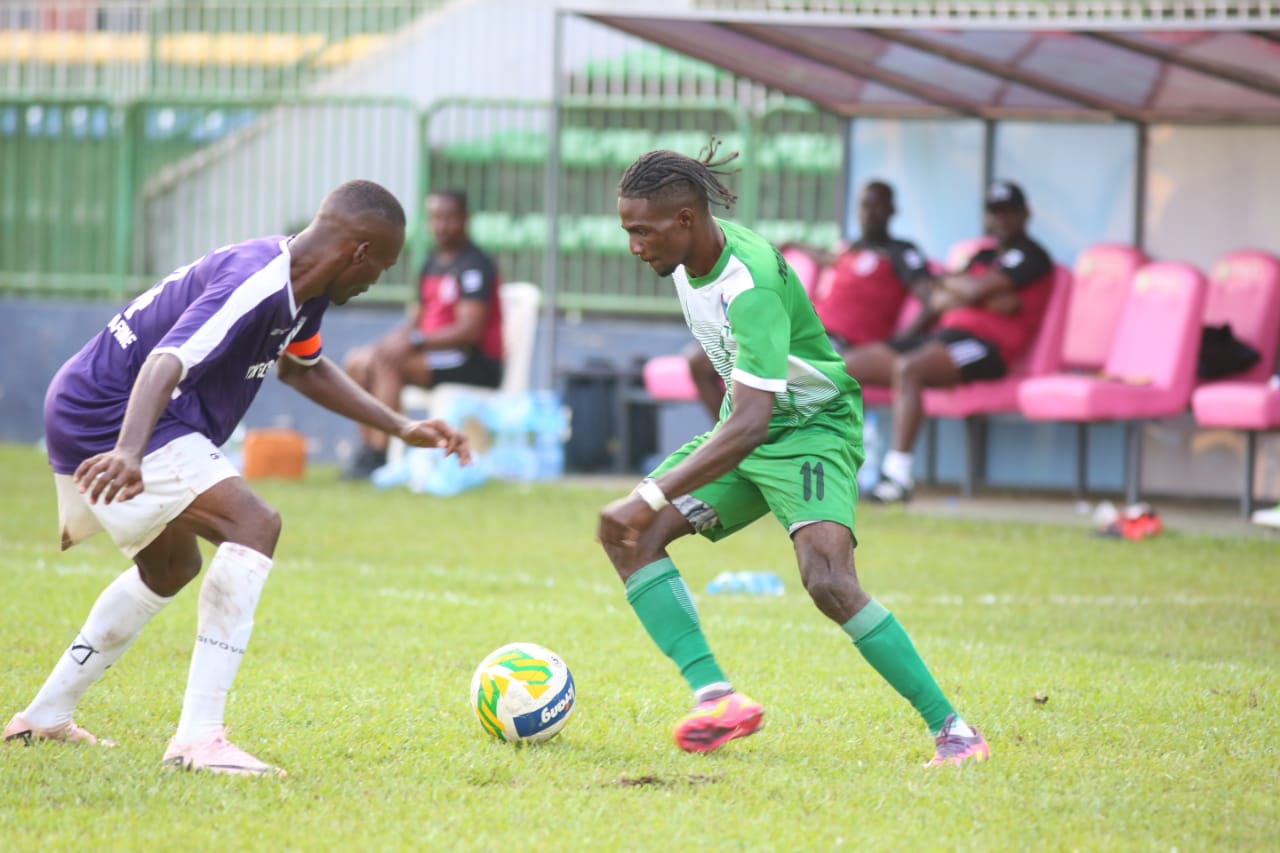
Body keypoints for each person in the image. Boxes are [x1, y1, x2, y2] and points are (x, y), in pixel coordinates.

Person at [4, 180, 471, 777]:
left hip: (114, 408)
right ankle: (199, 741)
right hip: (112, 413)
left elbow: (304, 370)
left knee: (170, 568)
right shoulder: (258, 281)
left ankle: (43, 716)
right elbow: (165, 360)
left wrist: (401, 427)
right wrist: (128, 450)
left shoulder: (306, 287)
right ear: (358, 250)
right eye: (382, 265)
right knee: (254, 524)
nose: (378, 280)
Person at [598, 141, 989, 767]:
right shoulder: (688, 258)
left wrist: (649, 492)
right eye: (627, 230)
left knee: (828, 581)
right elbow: (744, 408)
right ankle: (717, 701)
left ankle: (956, 732)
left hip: (810, 428)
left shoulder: (745, 281)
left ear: (686, 220)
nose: (634, 246)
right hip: (746, 426)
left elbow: (755, 421)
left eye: (642, 231)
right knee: (630, 539)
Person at [843, 179, 1055, 504]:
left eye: (1009, 212)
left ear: (1025, 214)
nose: (1002, 220)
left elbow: (968, 292)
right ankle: (830, 464)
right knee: (842, 366)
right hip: (943, 336)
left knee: (909, 368)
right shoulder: (982, 255)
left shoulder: (1033, 256)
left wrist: (966, 289)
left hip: (987, 347)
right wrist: (975, 292)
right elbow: (941, 298)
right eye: (995, 213)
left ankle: (897, 477)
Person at [684, 180, 934, 423]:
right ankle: (734, 443)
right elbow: (826, 257)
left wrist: (896, 344)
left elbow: (930, 299)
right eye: (864, 206)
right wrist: (794, 244)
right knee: (699, 362)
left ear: (892, 210)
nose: (869, 213)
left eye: (877, 206)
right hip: (798, 329)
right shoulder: (850, 250)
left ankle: (756, 446)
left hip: (835, 346)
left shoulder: (901, 252)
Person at [341, 188, 503, 480]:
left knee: (391, 362)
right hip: (435, 355)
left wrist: (412, 342)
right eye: (434, 218)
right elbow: (416, 320)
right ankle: (366, 450)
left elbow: (469, 331)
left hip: (473, 361)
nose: (440, 226)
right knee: (360, 360)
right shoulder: (430, 263)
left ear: (465, 219)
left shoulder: (475, 264)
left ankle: (379, 456)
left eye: (448, 218)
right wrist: (387, 343)